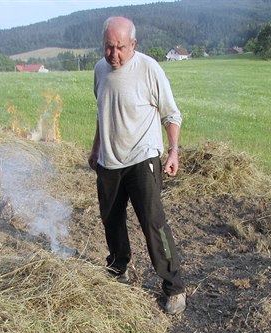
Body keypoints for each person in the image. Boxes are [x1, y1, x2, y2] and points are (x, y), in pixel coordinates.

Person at [88, 16, 186, 315]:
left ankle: (174, 286)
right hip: (109, 162)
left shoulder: (148, 68)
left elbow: (172, 114)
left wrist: (173, 152)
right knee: (111, 220)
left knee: (153, 223)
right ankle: (118, 269)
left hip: (143, 159)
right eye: (108, 47)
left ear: (133, 44)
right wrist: (95, 149)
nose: (113, 55)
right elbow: (102, 111)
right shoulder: (99, 70)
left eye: (119, 48)